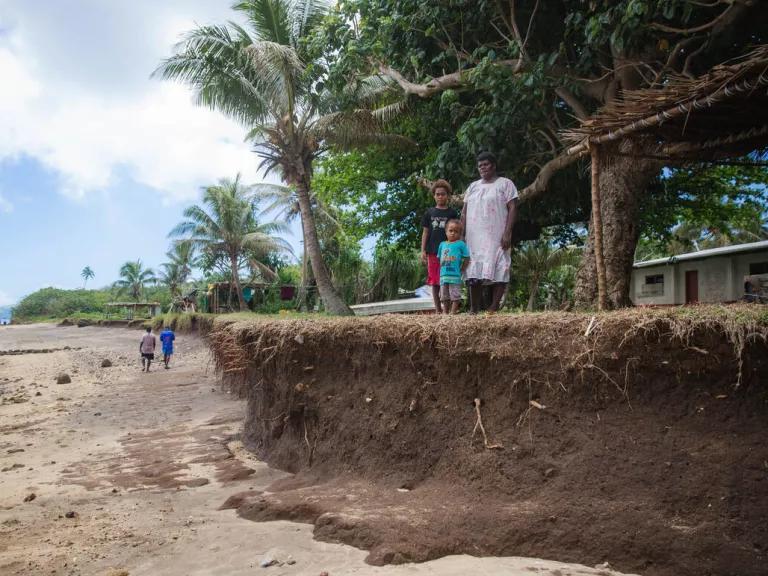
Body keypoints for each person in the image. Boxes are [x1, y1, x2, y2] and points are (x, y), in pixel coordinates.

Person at [461, 151, 518, 313]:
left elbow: (513, 208)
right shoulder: (472, 187)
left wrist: (507, 233)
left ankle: (493, 307)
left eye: (485, 164)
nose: (482, 168)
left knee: (501, 267)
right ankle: (474, 309)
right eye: (480, 166)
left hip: (496, 236)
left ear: (493, 166)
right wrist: (461, 235)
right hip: (473, 237)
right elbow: (464, 212)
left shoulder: (505, 184)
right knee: (473, 270)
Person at [421, 179, 460, 313]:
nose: (440, 196)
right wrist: (423, 251)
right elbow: (425, 232)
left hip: (448, 253)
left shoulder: (452, 213)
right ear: (434, 196)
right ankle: (438, 310)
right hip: (432, 251)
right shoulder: (429, 212)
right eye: (437, 194)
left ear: (448, 196)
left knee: (447, 280)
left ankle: (447, 311)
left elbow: (457, 232)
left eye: (443, 194)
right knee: (435, 282)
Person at [438, 220, 470, 314]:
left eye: (456, 231)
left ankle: (453, 313)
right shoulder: (442, 244)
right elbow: (439, 258)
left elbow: (467, 257)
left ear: (460, 234)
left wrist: (463, 268)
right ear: (446, 231)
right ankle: (445, 313)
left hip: (455, 275)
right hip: (443, 276)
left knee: (455, 295)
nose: (453, 233)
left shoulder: (461, 244)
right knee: (444, 296)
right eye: (450, 230)